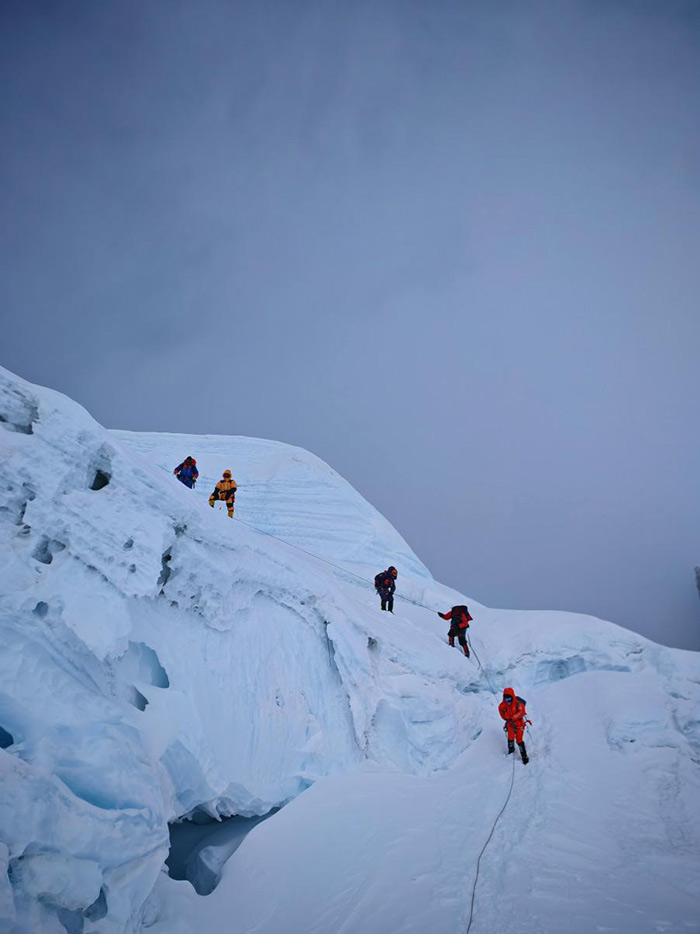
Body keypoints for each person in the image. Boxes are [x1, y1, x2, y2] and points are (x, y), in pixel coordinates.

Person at [498, 687, 530, 764]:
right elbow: (501, 713)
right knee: (510, 738)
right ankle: (511, 750)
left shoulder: (518, 703)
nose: (507, 701)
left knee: (519, 740)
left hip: (519, 725)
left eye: (509, 699)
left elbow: (521, 712)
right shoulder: (502, 705)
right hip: (510, 725)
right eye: (506, 699)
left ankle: (524, 756)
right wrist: (506, 718)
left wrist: (513, 718)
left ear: (512, 697)